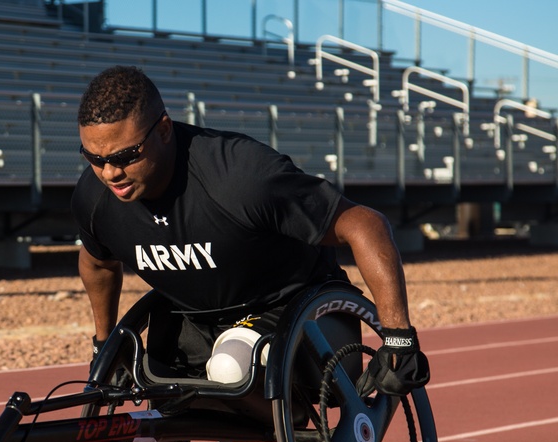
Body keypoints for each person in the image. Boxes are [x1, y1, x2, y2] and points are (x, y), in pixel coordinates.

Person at [73, 65, 428, 398]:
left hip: (291, 310)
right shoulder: (94, 197)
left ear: (164, 130)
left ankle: (277, 410)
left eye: (125, 156)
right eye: (94, 158)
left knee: (230, 366)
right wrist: (105, 345)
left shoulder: (239, 176)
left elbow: (365, 224)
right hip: (196, 319)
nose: (109, 173)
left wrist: (398, 337)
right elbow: (98, 263)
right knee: (152, 386)